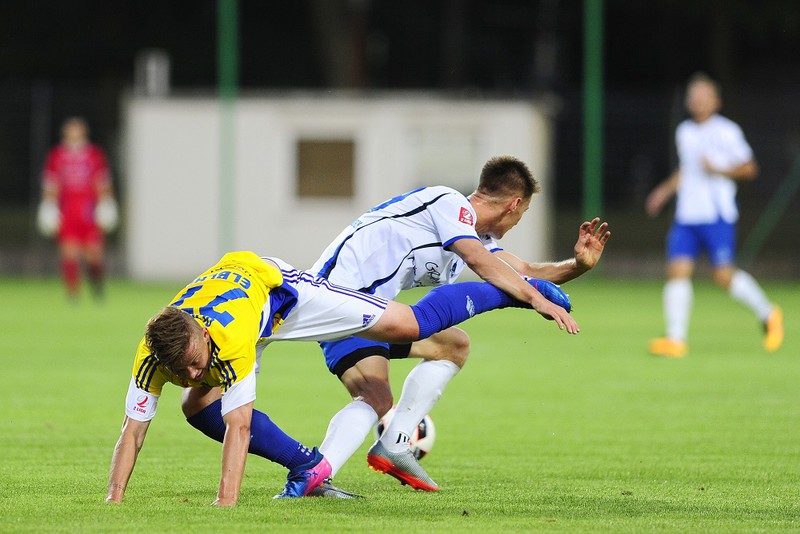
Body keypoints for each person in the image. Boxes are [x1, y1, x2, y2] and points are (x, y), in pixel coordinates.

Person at [106, 251, 577, 506]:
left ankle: (518, 293)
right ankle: (307, 465)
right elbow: (133, 430)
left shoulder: (223, 340)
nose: (191, 374)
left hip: (285, 294)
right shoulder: (156, 353)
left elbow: (240, 425)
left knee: (409, 325)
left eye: (195, 362)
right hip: (236, 299)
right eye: (180, 369)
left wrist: (225, 505)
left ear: (201, 337)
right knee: (196, 406)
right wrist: (115, 499)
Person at [307, 154, 611, 493]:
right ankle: (327, 470)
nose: (517, 222)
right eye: (522, 214)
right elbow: (480, 262)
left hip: (368, 308)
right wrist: (536, 300)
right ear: (514, 205)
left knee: (448, 348)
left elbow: (523, 272)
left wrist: (579, 265)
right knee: (384, 381)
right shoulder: (449, 204)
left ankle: (382, 450)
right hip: (338, 295)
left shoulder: (471, 234)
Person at [645, 72, 784, 358]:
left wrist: (719, 169)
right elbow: (686, 170)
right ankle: (676, 339)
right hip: (687, 215)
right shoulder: (684, 131)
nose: (696, 101)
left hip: (716, 214)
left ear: (716, 101)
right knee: (677, 271)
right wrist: (664, 191)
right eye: (692, 97)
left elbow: (749, 168)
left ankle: (768, 313)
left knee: (722, 275)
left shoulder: (727, 131)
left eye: (702, 96)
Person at [36, 117, 119, 300]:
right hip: (68, 212)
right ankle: (73, 294)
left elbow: (102, 182)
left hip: (89, 213)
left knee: (94, 255)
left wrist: (106, 204)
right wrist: (48, 207)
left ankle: (97, 287)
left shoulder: (94, 155)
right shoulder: (56, 156)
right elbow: (51, 184)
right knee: (70, 253)